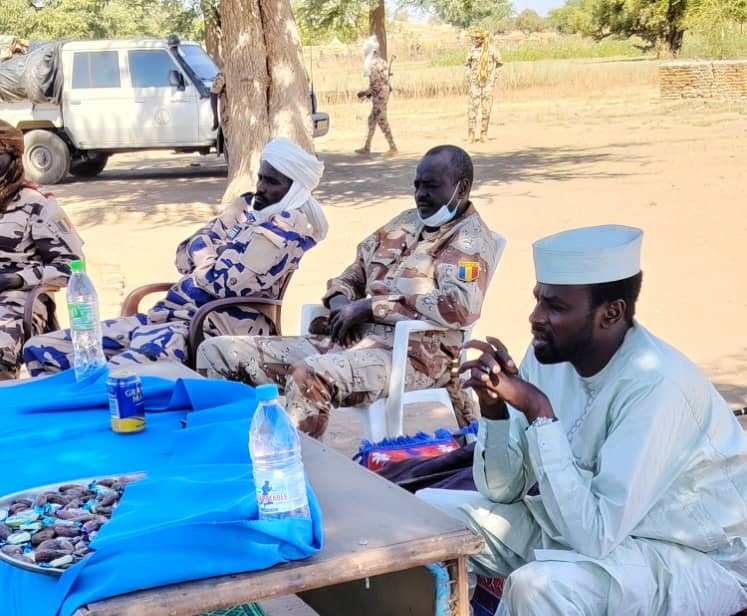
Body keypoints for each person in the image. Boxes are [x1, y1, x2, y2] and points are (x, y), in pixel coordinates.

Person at [419, 224, 747, 615]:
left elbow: (595, 536)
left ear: (611, 313)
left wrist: (539, 412)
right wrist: (494, 409)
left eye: (555, 307)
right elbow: (503, 490)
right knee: (430, 519)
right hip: (590, 531)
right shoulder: (550, 354)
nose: (535, 317)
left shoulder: (657, 385)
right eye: (538, 300)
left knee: (539, 588)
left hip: (692, 558)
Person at [196, 145, 500, 439]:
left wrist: (369, 308)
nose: (420, 194)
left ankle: (293, 464)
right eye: (417, 185)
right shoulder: (406, 222)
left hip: (414, 356)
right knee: (217, 352)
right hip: (350, 339)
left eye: (430, 186)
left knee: (309, 376)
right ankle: (226, 451)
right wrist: (342, 304)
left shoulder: (470, 241)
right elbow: (353, 273)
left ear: (462, 188)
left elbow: (459, 307)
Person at [23, 137, 328, 374]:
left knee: (113, 376)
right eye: (260, 177)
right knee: (40, 349)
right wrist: (211, 256)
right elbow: (183, 254)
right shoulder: (247, 207)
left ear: (294, 190)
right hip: (163, 317)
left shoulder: (286, 228)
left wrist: (206, 254)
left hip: (204, 328)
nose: (260, 188)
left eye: (272, 182)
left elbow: (225, 284)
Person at [0, 120, 84, 380]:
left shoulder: (37, 204)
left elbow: (72, 265)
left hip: (16, 296)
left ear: (14, 158)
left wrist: (17, 279)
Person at [355, 35, 398, 158]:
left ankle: (393, 147)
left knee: (382, 121)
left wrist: (365, 93)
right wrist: (369, 93)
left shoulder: (372, 64)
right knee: (372, 120)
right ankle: (367, 146)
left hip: (380, 95)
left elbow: (375, 85)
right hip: (383, 93)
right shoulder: (381, 61)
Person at [465, 28, 503, 144]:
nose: (476, 40)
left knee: (486, 110)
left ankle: (483, 134)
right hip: (475, 83)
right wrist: (469, 77)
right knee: (472, 109)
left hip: (487, 84)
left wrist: (493, 78)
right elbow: (467, 65)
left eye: (478, 38)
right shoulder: (472, 50)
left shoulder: (492, 50)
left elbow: (500, 64)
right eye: (475, 38)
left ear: (483, 39)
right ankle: (471, 135)